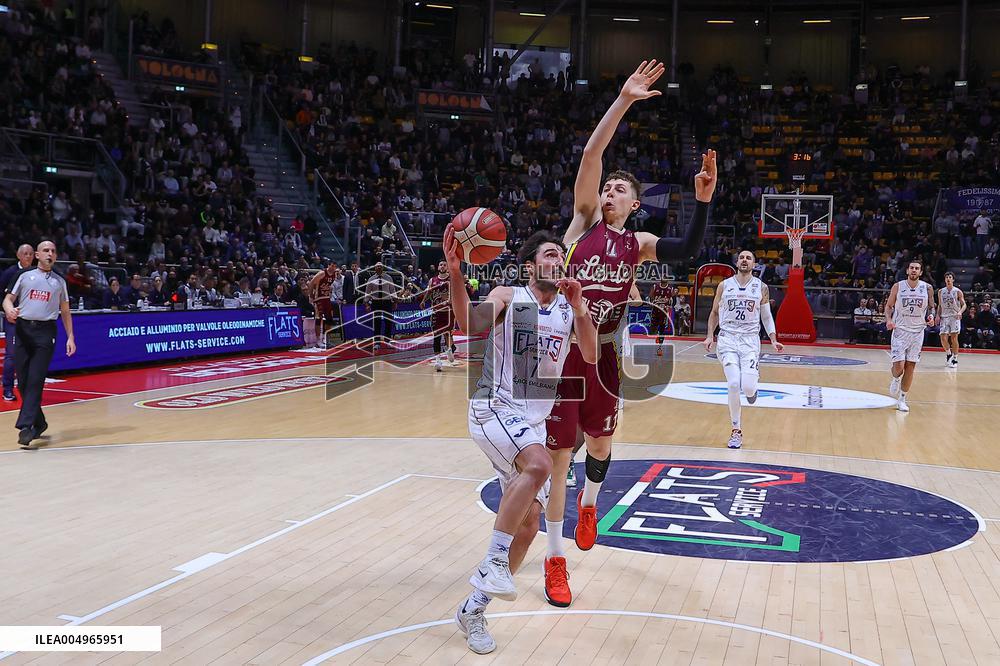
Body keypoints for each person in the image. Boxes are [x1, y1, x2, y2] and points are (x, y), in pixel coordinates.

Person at [543, 59, 717, 608]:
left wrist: (704, 201)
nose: (611, 191)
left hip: (608, 350)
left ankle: (591, 504)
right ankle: (555, 558)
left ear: (635, 203)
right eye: (609, 187)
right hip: (563, 347)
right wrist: (622, 100)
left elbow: (688, 252)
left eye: (621, 189)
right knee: (560, 453)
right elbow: (592, 155)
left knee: (601, 441)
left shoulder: (637, 242)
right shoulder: (583, 223)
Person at [443, 227, 597, 654]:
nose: (557, 260)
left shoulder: (569, 309)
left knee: (529, 523)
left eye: (560, 256)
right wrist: (456, 273)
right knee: (541, 465)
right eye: (549, 254)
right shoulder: (509, 296)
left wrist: (581, 307)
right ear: (531, 265)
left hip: (527, 424)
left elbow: (589, 354)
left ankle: (474, 608)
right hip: (493, 406)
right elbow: (468, 322)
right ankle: (494, 563)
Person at [704, 250, 784, 449]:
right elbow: (714, 313)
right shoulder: (724, 286)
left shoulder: (761, 287)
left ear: (754, 264)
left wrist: (773, 339)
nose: (744, 260)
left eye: (748, 258)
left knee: (747, 387)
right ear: (737, 262)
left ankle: (752, 384)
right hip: (727, 339)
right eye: (741, 257)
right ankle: (736, 430)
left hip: (750, 340)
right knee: (733, 383)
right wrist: (709, 335)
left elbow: (766, 317)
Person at [2, 241, 76, 449]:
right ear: (37, 255)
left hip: (46, 332)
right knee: (24, 381)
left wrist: (70, 337)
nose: (50, 254)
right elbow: (7, 299)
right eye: (46, 250)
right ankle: (40, 422)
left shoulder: (60, 281)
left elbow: (66, 311)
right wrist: (9, 309)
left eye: (53, 250)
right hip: (23, 329)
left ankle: (26, 427)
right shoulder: (24, 276)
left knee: (35, 379)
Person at [885, 260, 935, 412]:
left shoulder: (927, 288)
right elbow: (888, 306)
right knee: (899, 368)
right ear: (907, 271)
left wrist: (932, 316)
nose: (914, 270)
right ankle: (895, 378)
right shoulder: (898, 286)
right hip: (900, 330)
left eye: (917, 268)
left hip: (918, 332)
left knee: (910, 367)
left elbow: (932, 307)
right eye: (912, 268)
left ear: (921, 272)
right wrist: (888, 320)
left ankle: (902, 399)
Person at [0, 244, 35, 401]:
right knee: (12, 355)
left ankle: (26, 387)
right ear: (19, 255)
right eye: (25, 254)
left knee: (30, 354)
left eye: (30, 254)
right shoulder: (9, 273)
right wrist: (7, 311)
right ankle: (7, 388)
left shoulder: (36, 273)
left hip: (31, 320)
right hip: (13, 319)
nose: (28, 256)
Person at [420, 260, 458, 371]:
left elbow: (456, 293)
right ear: (438, 267)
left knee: (448, 334)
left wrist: (452, 300)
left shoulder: (451, 279)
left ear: (447, 267)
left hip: (448, 311)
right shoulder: (433, 280)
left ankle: (450, 349)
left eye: (444, 265)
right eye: (440, 264)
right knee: (436, 337)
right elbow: (428, 292)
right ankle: (438, 361)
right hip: (436, 311)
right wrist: (423, 301)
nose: (442, 266)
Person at [363, 262, 399, 350]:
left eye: (380, 266)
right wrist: (367, 304)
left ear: (383, 268)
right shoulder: (371, 279)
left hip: (387, 302)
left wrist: (395, 302)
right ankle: (377, 343)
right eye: (377, 266)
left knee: (388, 322)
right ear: (375, 268)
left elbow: (392, 290)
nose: (379, 268)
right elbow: (367, 293)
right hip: (376, 303)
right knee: (377, 323)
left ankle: (388, 341)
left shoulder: (388, 278)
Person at [937, 272, 967, 368]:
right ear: (945, 279)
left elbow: (964, 305)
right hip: (944, 316)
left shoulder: (958, 291)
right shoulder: (941, 291)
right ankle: (948, 353)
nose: (948, 279)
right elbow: (940, 305)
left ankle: (955, 358)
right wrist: (937, 316)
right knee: (943, 337)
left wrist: (960, 312)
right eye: (946, 277)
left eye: (950, 277)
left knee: (954, 338)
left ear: (953, 279)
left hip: (954, 316)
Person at [309, 263, 338, 348]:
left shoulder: (334, 274)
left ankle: (325, 339)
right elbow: (311, 283)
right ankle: (318, 341)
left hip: (327, 298)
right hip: (319, 298)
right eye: (332, 266)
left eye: (335, 266)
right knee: (319, 318)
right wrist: (311, 296)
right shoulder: (322, 273)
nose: (333, 268)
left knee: (329, 318)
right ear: (328, 266)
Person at [648, 277, 673, 356]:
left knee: (662, 329)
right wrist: (652, 302)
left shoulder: (670, 288)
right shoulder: (655, 287)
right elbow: (650, 296)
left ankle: (660, 348)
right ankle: (657, 338)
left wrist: (669, 304)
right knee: (653, 330)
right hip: (655, 310)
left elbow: (672, 300)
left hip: (664, 312)